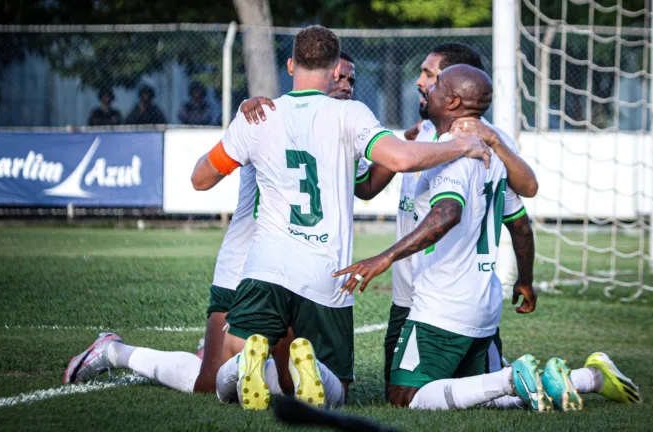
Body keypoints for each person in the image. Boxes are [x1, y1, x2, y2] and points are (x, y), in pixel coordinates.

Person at [193, 25, 490, 411]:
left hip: (265, 268)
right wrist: (459, 144)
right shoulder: (350, 114)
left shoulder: (259, 114)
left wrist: (239, 130)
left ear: (289, 64)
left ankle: (245, 364)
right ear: (335, 69)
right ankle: (312, 367)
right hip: (326, 274)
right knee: (337, 393)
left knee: (224, 372)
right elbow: (400, 159)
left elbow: (201, 179)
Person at [61, 51, 386, 395]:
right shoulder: (268, 114)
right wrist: (246, 105)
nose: (346, 84)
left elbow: (363, 187)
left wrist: (400, 150)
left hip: (300, 266)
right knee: (211, 383)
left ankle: (233, 357)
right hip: (251, 263)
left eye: (351, 79)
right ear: (316, 73)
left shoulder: (341, 128)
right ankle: (115, 351)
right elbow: (205, 174)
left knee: (281, 378)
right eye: (338, 76)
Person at [334, 64, 642, 412]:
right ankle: (589, 378)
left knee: (404, 398)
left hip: (442, 304)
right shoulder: (490, 151)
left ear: (451, 101)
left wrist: (384, 257)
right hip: (483, 305)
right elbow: (521, 225)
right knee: (480, 395)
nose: (426, 89)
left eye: (434, 85)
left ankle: (510, 377)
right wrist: (525, 281)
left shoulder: (457, 150)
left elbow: (447, 214)